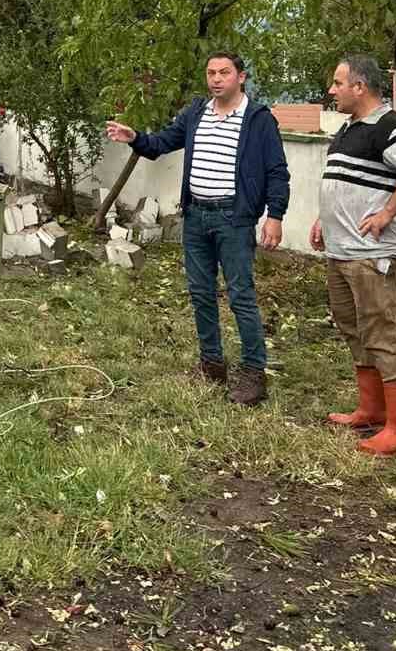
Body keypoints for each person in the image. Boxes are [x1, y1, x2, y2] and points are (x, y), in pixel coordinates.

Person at [106, 50, 289, 406]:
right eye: (210, 73)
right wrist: (135, 137)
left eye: (224, 72)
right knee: (201, 293)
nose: (216, 79)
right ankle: (212, 365)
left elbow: (277, 172)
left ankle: (253, 373)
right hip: (196, 217)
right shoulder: (196, 113)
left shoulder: (258, 120)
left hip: (233, 219)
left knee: (241, 295)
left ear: (241, 77)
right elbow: (161, 144)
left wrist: (275, 216)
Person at [310, 54, 396, 456]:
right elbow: (344, 181)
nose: (332, 90)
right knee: (355, 329)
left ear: (360, 87)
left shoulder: (389, 126)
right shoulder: (349, 128)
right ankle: (371, 409)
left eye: (338, 83)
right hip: (341, 250)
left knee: (384, 333)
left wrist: (388, 212)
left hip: (372, 254)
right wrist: (321, 219)